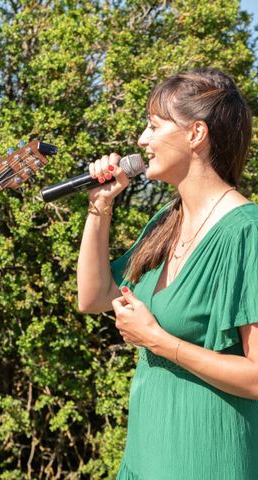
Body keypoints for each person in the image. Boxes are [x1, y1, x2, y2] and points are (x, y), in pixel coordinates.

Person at [77, 68, 258, 479]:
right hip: (146, 458)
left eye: (154, 126)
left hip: (206, 461)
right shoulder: (167, 221)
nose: (141, 140)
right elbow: (94, 296)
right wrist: (99, 206)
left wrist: (158, 341)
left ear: (196, 134)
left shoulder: (247, 232)